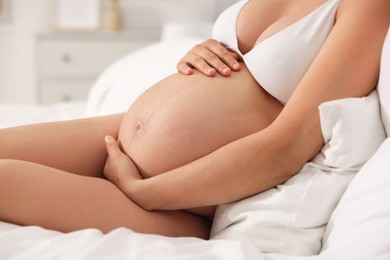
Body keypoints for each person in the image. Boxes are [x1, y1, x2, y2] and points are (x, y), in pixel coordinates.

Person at [0, 0, 388, 240]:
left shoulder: (369, 5)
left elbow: (287, 146)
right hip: (117, 134)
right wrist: (207, 51)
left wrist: (144, 192)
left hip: (181, 203)